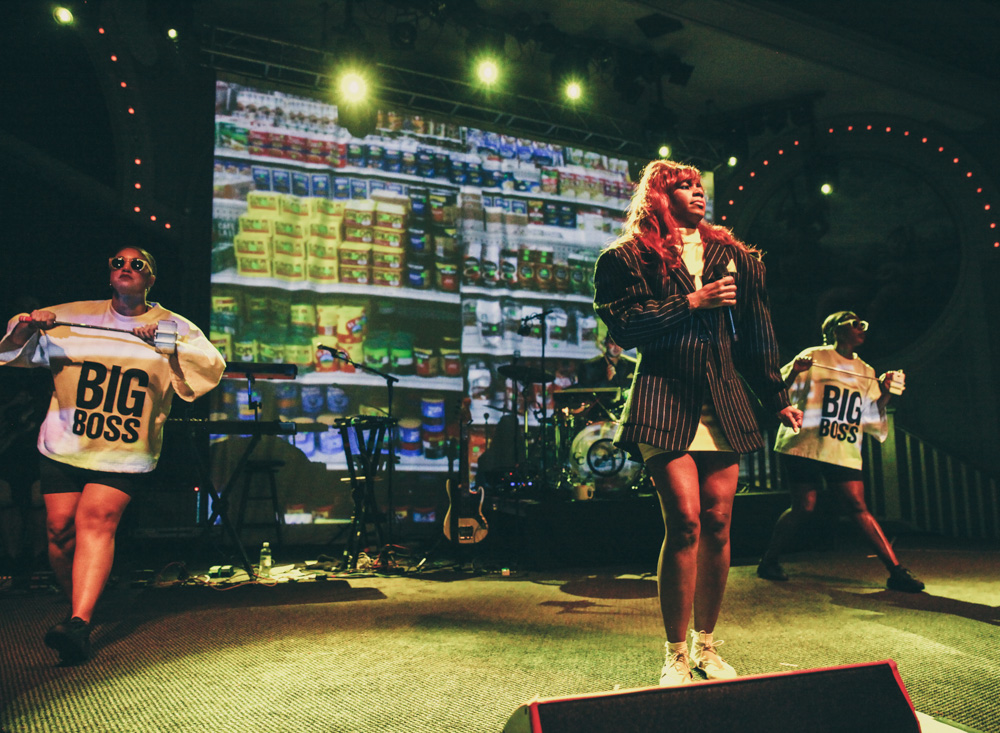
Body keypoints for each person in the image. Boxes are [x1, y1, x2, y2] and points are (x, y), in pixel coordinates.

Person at [593, 159, 802, 686]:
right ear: (659, 196)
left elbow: (758, 333)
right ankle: (674, 653)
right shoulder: (626, 257)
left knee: (718, 523)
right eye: (683, 186)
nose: (697, 192)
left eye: (698, 185)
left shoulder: (734, 257)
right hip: (663, 397)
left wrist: (777, 396)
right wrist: (692, 300)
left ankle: (706, 646)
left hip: (723, 399)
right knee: (684, 519)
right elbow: (627, 326)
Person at [0, 247, 225, 664]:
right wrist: (30, 327)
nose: (126, 268)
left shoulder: (172, 325)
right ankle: (77, 611)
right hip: (66, 444)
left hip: (123, 450)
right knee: (60, 530)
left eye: (137, 265)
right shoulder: (74, 315)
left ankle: (80, 623)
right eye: (117, 263)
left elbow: (209, 368)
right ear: (109, 275)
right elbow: (12, 349)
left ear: (150, 280)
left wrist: (168, 347)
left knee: (96, 519)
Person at [757, 311, 924, 593]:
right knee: (804, 506)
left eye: (862, 323)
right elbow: (777, 392)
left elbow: (871, 414)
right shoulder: (814, 356)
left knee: (858, 506)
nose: (861, 327)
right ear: (834, 330)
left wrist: (886, 391)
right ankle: (769, 560)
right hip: (804, 443)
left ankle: (896, 570)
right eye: (853, 322)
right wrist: (796, 371)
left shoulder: (866, 370)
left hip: (842, 446)